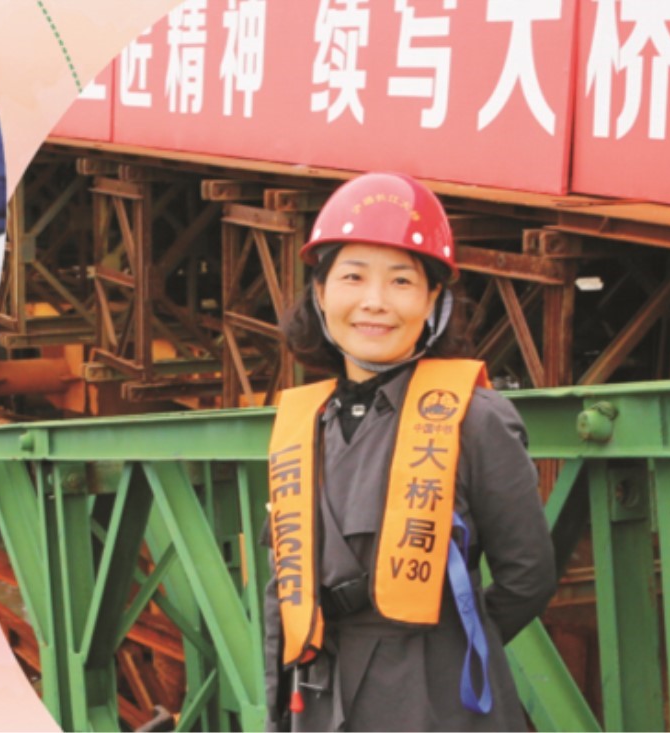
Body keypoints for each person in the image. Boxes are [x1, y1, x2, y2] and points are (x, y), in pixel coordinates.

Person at [263, 172, 557, 732]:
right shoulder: (305, 423)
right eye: (353, 277)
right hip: (320, 696)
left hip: (434, 700)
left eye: (401, 281)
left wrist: (451, 643)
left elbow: (528, 578)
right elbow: (285, 585)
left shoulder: (475, 418)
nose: (374, 302)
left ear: (432, 301)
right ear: (321, 294)